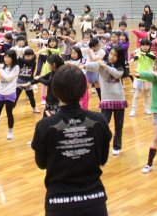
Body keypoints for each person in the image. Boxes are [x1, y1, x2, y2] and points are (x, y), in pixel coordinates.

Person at [30, 64, 112, 216]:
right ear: (84, 89)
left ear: (55, 90)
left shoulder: (44, 125)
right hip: (94, 200)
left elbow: (41, 164)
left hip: (59, 202)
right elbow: (103, 159)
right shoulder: (99, 120)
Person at [85, 47, 127, 155]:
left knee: (119, 126)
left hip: (119, 99)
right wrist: (83, 65)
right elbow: (93, 66)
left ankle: (117, 146)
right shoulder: (102, 65)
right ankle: (100, 145)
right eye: (111, 54)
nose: (112, 56)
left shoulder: (120, 67)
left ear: (119, 57)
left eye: (115, 55)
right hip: (106, 100)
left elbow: (117, 74)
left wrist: (105, 66)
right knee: (103, 124)